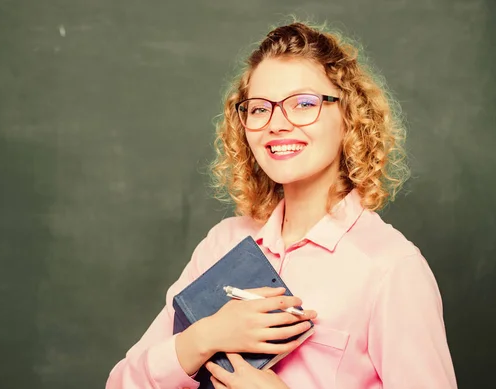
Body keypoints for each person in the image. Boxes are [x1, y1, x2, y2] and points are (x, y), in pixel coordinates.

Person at [106, 20, 457, 389]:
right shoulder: (223, 244)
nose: (276, 124)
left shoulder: (391, 268)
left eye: (304, 104)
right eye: (259, 109)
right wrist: (203, 337)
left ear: (350, 116)